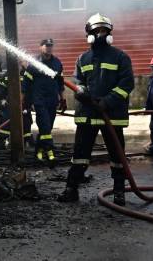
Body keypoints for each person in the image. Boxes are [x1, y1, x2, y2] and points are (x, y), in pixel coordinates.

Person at [57, 13, 134, 206]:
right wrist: (81, 92)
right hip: (88, 115)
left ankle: (119, 191)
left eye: (103, 31)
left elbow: (126, 84)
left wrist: (107, 102)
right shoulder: (83, 58)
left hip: (111, 115)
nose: (100, 34)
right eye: (96, 31)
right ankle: (71, 189)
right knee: (80, 155)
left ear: (109, 34)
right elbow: (78, 81)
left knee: (117, 156)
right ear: (89, 34)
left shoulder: (120, 57)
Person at [24, 38, 65, 165]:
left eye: (50, 46)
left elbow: (60, 83)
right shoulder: (34, 63)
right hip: (39, 100)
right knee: (45, 126)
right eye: (46, 45)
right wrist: (25, 100)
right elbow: (26, 83)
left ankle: (39, 151)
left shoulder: (57, 63)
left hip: (52, 100)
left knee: (47, 128)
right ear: (40, 47)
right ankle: (51, 153)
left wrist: (63, 98)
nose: (49, 48)